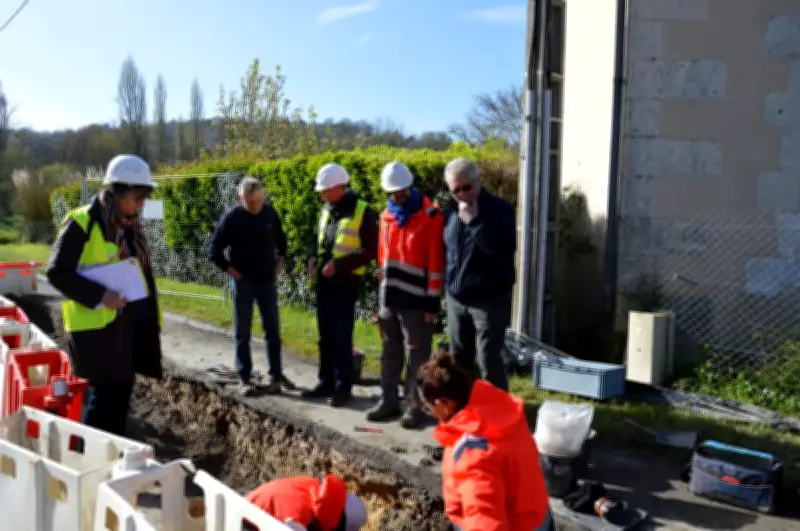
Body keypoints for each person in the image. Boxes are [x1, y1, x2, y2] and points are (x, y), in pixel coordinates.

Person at [46, 154, 163, 436]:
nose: (142, 204)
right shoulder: (82, 222)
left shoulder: (130, 226)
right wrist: (101, 295)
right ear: (120, 191)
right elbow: (57, 272)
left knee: (121, 395)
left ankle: (115, 451)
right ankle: (92, 454)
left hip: (127, 325)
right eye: (138, 197)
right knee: (104, 401)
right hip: (97, 331)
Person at [417, 350, 553, 531]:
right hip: (536, 515)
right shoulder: (499, 409)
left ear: (444, 404)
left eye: (428, 408)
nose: (431, 415)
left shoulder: (472, 454)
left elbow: (485, 522)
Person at [365, 161, 445, 429]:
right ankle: (388, 400)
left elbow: (436, 264)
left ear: (410, 187)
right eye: (391, 192)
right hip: (390, 298)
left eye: (400, 192)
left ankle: (415, 405)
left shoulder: (431, 217)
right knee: (389, 352)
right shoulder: (386, 216)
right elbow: (382, 259)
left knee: (417, 357)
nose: (396, 197)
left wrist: (431, 304)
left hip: (417, 301)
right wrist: (380, 300)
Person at [209, 177, 295, 396]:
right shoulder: (232, 219)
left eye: (258, 201)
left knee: (272, 330)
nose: (255, 206)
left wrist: (276, 269)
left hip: (266, 282)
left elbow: (282, 245)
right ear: (241, 198)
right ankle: (244, 378)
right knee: (242, 331)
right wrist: (234, 274)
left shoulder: (270, 214)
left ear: (262, 196)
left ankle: (275, 375)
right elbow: (214, 252)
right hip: (243, 283)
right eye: (250, 202)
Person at [303, 163, 378, 408]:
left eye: (325, 191)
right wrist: (312, 257)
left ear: (338, 188)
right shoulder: (326, 209)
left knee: (341, 334)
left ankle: (342, 386)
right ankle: (325, 381)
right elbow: (315, 238)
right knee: (325, 334)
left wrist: (340, 265)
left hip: (346, 282)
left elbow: (371, 251)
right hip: (324, 281)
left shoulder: (363, 211)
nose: (322, 195)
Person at [442, 157, 516, 391]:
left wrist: (475, 222)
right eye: (456, 190)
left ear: (478, 181)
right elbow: (448, 251)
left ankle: (498, 409)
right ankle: (464, 406)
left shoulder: (500, 210)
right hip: (457, 298)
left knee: (488, 360)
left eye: (467, 187)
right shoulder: (450, 211)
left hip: (489, 300)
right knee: (458, 358)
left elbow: (503, 249)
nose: (463, 194)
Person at [245, 474, 368, 531]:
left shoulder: (313, 487)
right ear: (339, 521)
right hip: (244, 522)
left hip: (247, 502)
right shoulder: (302, 522)